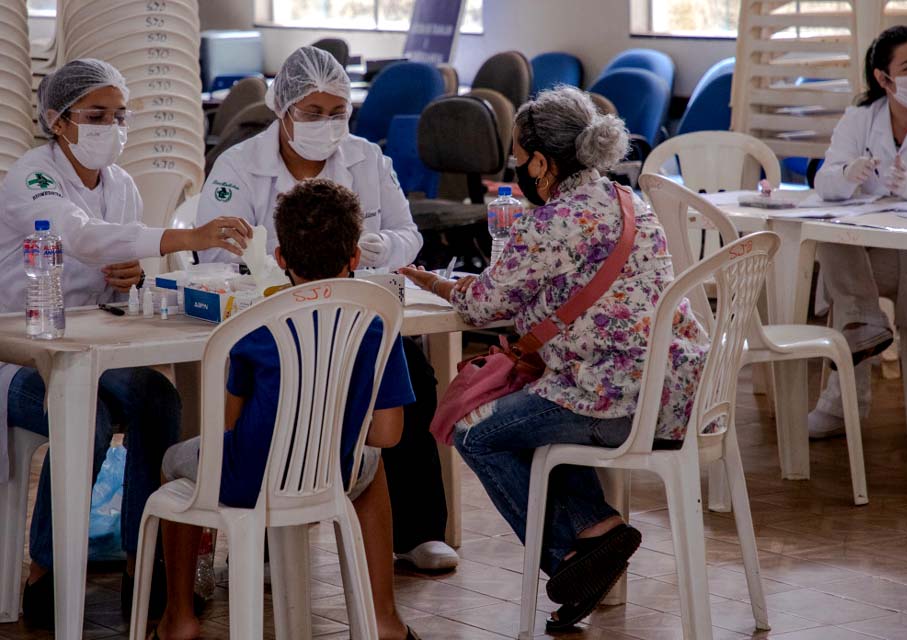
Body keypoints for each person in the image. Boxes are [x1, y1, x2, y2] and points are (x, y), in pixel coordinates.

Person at [401, 87, 709, 631]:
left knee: (474, 430)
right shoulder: (626, 198)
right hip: (675, 389)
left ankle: (568, 560)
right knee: (528, 417)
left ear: (542, 162)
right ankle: (597, 528)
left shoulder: (552, 221)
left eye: (519, 159)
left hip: (612, 399)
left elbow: (484, 305)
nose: (517, 169)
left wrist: (436, 282)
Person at [0, 59, 252, 627]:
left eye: (119, 116)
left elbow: (113, 264)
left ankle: (148, 563)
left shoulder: (122, 186)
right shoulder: (31, 176)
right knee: (83, 418)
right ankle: (47, 568)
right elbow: (78, 236)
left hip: (92, 347)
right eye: (95, 115)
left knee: (159, 398)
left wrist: (135, 277)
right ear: (57, 120)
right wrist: (184, 236)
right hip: (20, 352)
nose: (110, 128)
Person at [198, 46, 458, 570]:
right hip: (272, 325)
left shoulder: (367, 158)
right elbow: (212, 252)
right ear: (282, 109)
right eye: (312, 113)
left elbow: (409, 234)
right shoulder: (239, 166)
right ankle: (269, 542)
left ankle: (417, 532)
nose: (327, 123)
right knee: (274, 392)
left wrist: (378, 246)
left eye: (337, 111)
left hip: (356, 319)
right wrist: (271, 268)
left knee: (417, 379)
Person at [157, 178, 420, 640]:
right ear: (355, 257)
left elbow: (232, 425)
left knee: (173, 464)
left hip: (247, 480)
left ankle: (180, 616)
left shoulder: (255, 326)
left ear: (279, 259)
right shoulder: (377, 322)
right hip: (330, 477)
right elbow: (388, 434)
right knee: (372, 469)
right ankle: (384, 618)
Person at [810, 26, 907, 438]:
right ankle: (865, 322)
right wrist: (846, 174)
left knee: (848, 289)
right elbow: (824, 184)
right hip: (868, 254)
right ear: (883, 78)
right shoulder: (861, 117)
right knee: (833, 238)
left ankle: (843, 393)